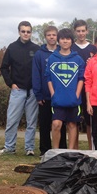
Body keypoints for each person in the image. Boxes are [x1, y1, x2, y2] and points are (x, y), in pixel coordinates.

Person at [0, 21, 40, 156]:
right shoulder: (12, 47)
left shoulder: (36, 49)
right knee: (12, 120)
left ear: (31, 33)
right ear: (19, 32)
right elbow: (4, 67)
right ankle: (9, 147)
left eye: (28, 31)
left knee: (31, 122)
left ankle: (29, 148)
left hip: (32, 91)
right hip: (17, 90)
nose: (26, 34)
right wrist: (11, 83)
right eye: (23, 31)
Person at [45, 28, 85, 149]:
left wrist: (77, 94)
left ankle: (71, 152)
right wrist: (53, 94)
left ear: (72, 41)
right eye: (62, 39)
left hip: (73, 100)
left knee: (72, 124)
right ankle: (55, 152)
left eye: (68, 39)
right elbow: (48, 78)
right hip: (58, 100)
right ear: (59, 41)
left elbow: (81, 79)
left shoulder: (78, 59)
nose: (65, 41)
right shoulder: (52, 58)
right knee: (56, 124)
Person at [32, 25, 67, 157]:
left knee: (60, 124)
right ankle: (44, 150)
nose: (52, 37)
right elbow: (36, 75)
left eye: (54, 35)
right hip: (45, 96)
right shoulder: (39, 54)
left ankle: (62, 149)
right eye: (49, 35)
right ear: (45, 37)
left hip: (60, 96)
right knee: (45, 124)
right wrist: (38, 94)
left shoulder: (62, 52)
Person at [71, 19, 97, 149]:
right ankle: (74, 150)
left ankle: (91, 148)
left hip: (89, 90)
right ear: (75, 32)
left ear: (87, 31)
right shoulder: (71, 47)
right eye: (78, 31)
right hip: (73, 89)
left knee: (89, 122)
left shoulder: (94, 48)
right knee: (73, 121)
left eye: (83, 31)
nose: (81, 33)